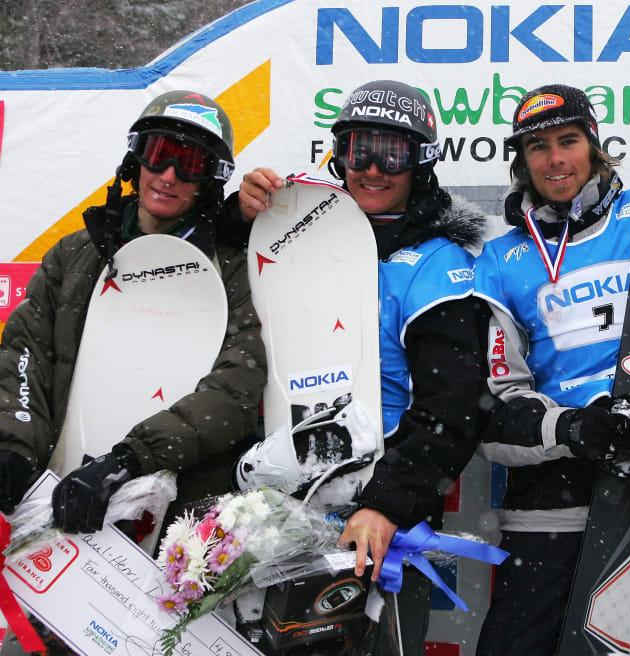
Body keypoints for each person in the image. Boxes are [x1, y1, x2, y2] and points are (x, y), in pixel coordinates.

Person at [231, 80, 491, 647]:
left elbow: (453, 407)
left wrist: (385, 505)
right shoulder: (295, 232)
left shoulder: (436, 263)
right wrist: (239, 215)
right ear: (337, 153)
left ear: (421, 162)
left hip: (378, 514)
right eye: (358, 149)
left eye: (392, 154)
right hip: (283, 497)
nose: (372, 169)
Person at [472, 83, 630, 656]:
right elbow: (493, 408)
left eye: (568, 140)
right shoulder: (501, 259)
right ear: (522, 163)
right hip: (552, 506)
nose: (555, 159)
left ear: (594, 145)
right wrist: (575, 429)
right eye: (537, 147)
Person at [0, 90, 266, 535]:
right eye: (159, 153)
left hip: (172, 515)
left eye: (189, 164)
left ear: (209, 181)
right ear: (135, 161)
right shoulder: (75, 254)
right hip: (55, 488)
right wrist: (14, 451)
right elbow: (24, 359)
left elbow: (234, 389)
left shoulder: (233, 270)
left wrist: (130, 459)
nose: (168, 175)